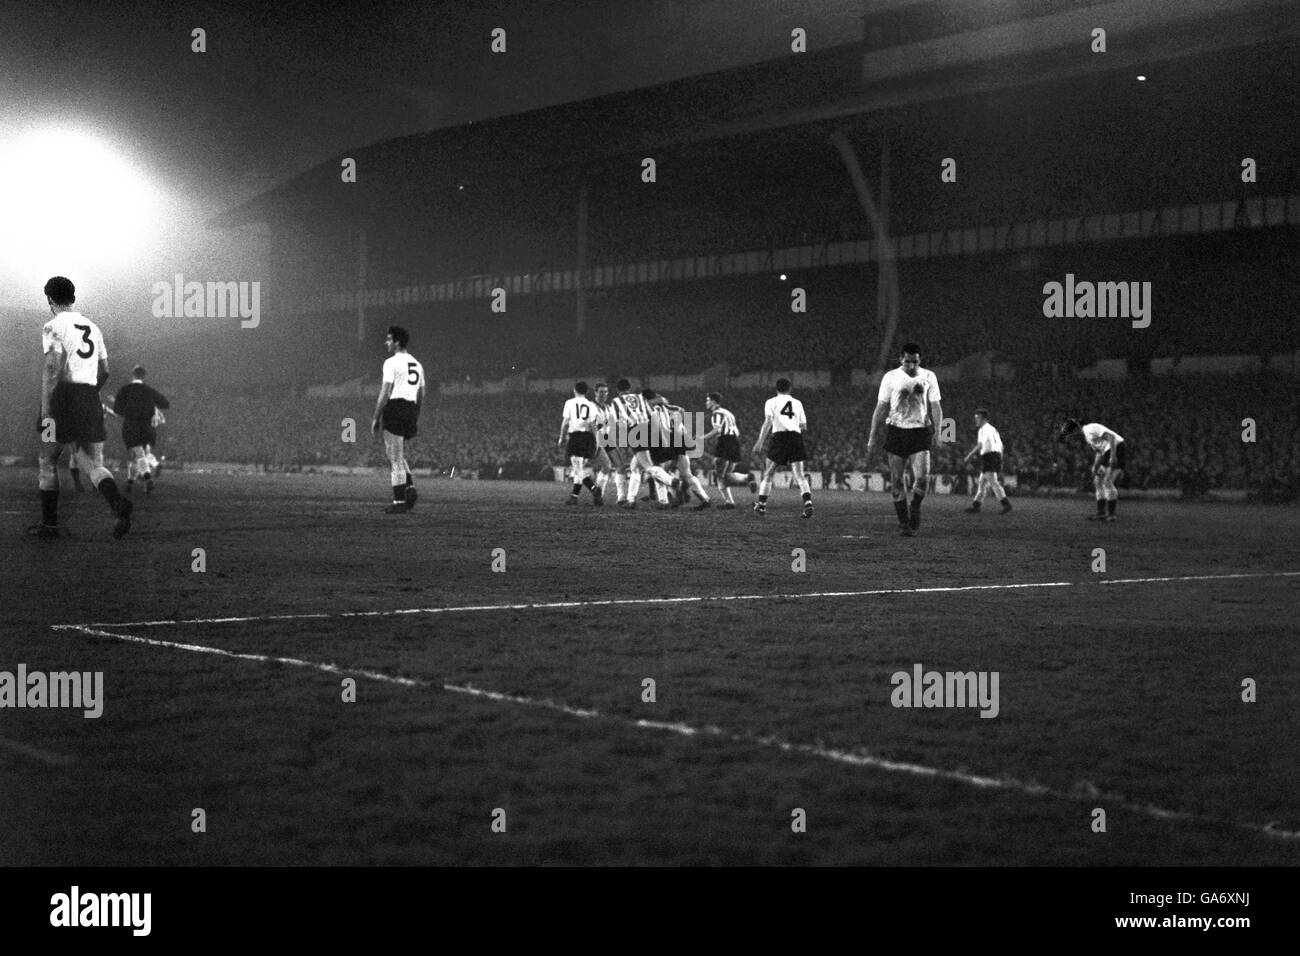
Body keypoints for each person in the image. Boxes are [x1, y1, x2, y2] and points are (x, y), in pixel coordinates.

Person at [31, 276, 132, 538]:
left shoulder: (52, 326)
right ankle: (117, 503)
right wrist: (88, 395)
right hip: (88, 397)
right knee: (88, 461)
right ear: (73, 297)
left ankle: (49, 525)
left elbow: (52, 370)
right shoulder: (92, 327)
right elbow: (105, 371)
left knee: (47, 460)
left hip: (62, 397)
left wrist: (46, 410)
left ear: (50, 300)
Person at [865, 343, 943, 536]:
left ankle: (915, 506)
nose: (911, 365)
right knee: (897, 481)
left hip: (920, 431)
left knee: (923, 480)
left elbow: (936, 406)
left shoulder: (928, 376)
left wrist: (938, 431)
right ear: (901, 359)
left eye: (914, 362)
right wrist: (872, 436)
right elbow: (881, 407)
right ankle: (904, 523)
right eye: (907, 361)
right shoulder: (890, 377)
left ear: (920, 360)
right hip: (897, 431)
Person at [371, 326, 425, 513]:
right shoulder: (417, 364)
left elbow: (385, 392)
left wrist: (376, 417)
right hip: (411, 408)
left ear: (397, 342)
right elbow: (421, 393)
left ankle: (399, 502)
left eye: (388, 339)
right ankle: (409, 488)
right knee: (397, 453)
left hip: (396, 407)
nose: (386, 342)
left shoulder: (391, 362)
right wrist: (415, 417)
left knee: (394, 457)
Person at [751, 378, 813, 518]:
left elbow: (767, 422)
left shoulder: (771, 402)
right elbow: (804, 426)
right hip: (796, 437)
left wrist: (760, 442)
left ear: (776, 388)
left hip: (779, 438)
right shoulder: (798, 403)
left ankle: (761, 506)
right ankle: (808, 503)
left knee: (769, 473)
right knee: (799, 474)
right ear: (790, 388)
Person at [113, 366, 170, 494]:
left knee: (137, 454)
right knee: (139, 456)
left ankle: (147, 479)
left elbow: (117, 409)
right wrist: (151, 404)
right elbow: (166, 403)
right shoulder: (149, 390)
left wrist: (129, 412)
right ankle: (133, 482)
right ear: (144, 376)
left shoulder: (125, 389)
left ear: (133, 375)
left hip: (131, 426)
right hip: (146, 427)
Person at [1058, 418, 1126, 520]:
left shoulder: (1090, 428)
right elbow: (1099, 452)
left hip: (1117, 447)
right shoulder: (1087, 437)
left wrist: (1112, 456)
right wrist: (1095, 466)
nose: (1071, 438)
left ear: (1076, 430)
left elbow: (1111, 437)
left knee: (1107, 482)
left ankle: (1112, 515)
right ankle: (1101, 513)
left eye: (1071, 434)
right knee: (1098, 481)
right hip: (1108, 451)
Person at [702, 392, 756, 509]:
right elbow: (736, 431)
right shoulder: (728, 413)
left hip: (725, 442)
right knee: (726, 475)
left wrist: (701, 438)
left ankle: (746, 479)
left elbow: (717, 430)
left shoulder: (716, 413)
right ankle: (730, 501)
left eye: (707, 400)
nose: (706, 403)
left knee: (720, 474)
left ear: (713, 402)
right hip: (735, 442)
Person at [557, 381, 603, 505]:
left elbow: (566, 422)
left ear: (574, 390)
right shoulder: (591, 405)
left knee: (577, 469)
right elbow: (594, 425)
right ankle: (574, 496)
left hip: (576, 437)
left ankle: (594, 488)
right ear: (587, 391)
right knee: (579, 468)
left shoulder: (570, 403)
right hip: (588, 438)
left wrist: (561, 437)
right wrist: (596, 441)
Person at [963, 408, 1012, 514]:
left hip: (989, 456)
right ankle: (976, 506)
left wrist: (969, 456)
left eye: (978, 418)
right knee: (982, 482)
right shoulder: (993, 429)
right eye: (975, 418)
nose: (976, 420)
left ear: (984, 419)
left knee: (993, 482)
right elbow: (1001, 446)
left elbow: (980, 445)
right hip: (995, 456)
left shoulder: (983, 429)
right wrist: (1000, 459)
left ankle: (1006, 504)